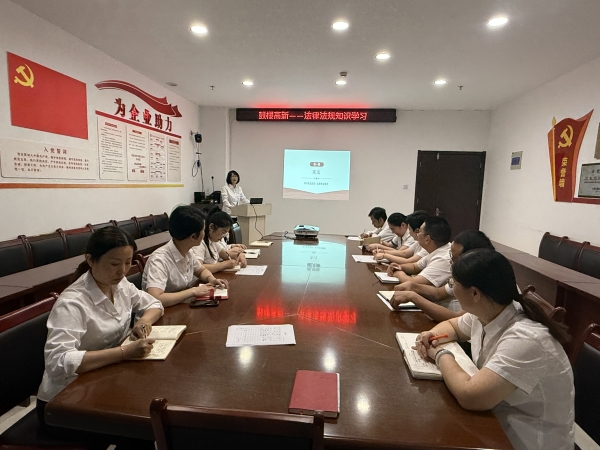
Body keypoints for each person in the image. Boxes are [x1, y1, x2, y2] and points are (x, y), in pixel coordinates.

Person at [414, 249, 573, 450]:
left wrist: (440, 353)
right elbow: (452, 326)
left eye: (453, 284)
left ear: (475, 293)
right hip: (496, 419)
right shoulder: (486, 311)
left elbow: (470, 395)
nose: (451, 289)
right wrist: (431, 335)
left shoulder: (526, 339)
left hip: (526, 439)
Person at [37, 227, 164, 421]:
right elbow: (57, 361)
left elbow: (154, 304)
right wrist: (124, 353)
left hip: (105, 377)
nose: (122, 271)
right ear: (90, 260)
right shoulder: (72, 303)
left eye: (128, 262)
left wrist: (144, 321)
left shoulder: (119, 285)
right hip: (65, 399)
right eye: (114, 264)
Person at [391, 230, 495, 321]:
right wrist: (412, 286)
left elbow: (456, 320)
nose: (450, 262)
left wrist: (413, 296)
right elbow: (438, 293)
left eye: (455, 258)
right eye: (451, 256)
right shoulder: (464, 273)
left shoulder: (482, 283)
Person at [142, 205, 228, 307]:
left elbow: (201, 271)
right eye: (203, 230)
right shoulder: (159, 260)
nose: (204, 233)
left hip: (179, 306)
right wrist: (193, 291)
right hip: (163, 312)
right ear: (193, 236)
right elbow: (156, 298)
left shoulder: (187, 251)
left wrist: (211, 279)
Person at [388, 216, 452, 286]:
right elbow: (414, 267)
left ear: (427, 239)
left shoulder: (442, 258)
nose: (417, 234)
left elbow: (413, 282)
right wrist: (399, 267)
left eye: (419, 231)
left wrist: (398, 273)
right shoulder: (436, 249)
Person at [192, 206, 247, 273]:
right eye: (223, 232)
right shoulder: (200, 243)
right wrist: (223, 265)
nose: (223, 236)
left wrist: (239, 255)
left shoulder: (213, 240)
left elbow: (226, 255)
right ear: (211, 227)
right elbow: (198, 268)